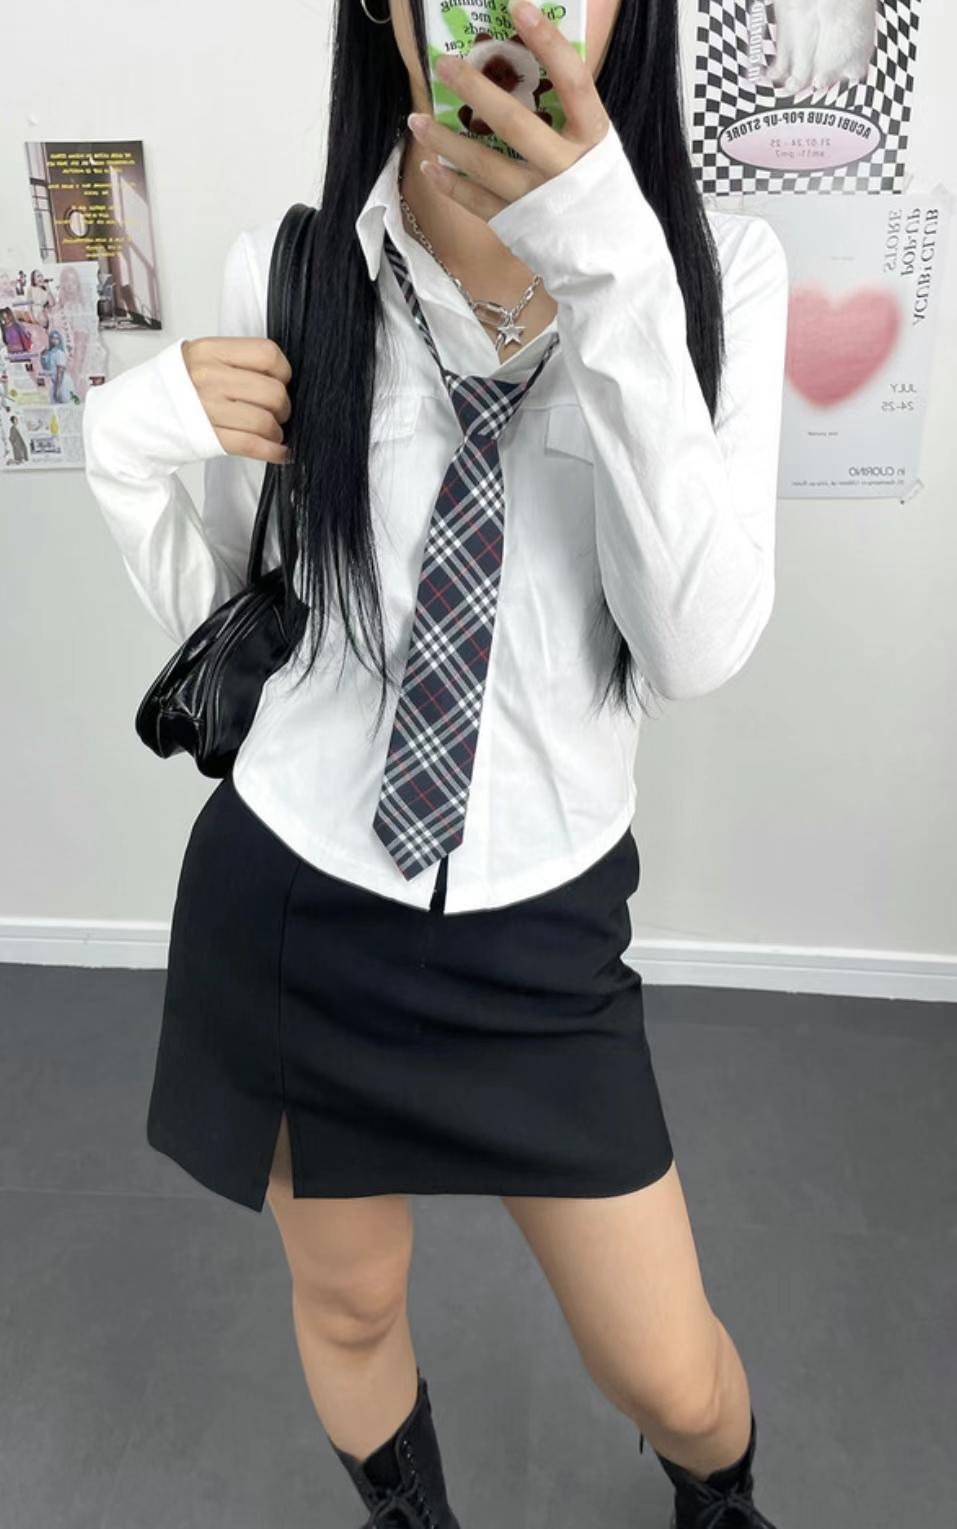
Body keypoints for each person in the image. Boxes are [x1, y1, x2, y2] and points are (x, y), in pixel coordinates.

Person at [81, 2, 789, 1526]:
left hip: (540, 926)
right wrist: (125, 447)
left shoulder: (708, 273)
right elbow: (253, 615)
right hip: (297, 899)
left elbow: (694, 648)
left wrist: (603, 260)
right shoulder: (292, 271)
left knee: (671, 1374)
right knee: (347, 1302)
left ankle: (720, 1498)